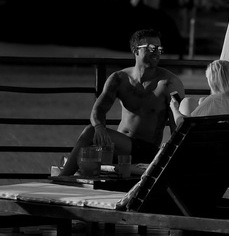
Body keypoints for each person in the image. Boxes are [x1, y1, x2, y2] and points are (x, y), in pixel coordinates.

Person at [60, 29, 184, 175]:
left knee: (90, 132)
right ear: (135, 50)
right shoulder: (119, 79)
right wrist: (100, 128)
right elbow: (98, 111)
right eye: (151, 48)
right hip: (118, 147)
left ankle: (62, 179)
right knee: (87, 157)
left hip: (146, 150)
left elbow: (178, 124)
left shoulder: (168, 83)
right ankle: (68, 181)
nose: (157, 52)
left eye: (160, 49)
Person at [169, 59, 229, 126]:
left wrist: (174, 109)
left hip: (211, 146)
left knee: (186, 102)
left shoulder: (215, 100)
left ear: (213, 80)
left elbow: (184, 124)